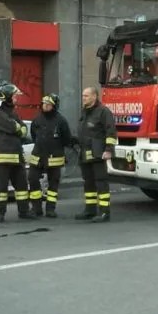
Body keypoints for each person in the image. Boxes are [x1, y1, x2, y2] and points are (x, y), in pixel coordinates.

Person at [0, 83, 34, 223]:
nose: (16, 98)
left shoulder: (12, 112)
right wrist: (17, 127)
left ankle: (24, 211)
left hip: (17, 155)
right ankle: (0, 213)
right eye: (14, 96)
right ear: (7, 97)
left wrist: (18, 128)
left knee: (21, 186)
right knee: (2, 188)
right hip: (3, 157)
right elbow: (14, 127)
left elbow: (23, 130)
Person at [75, 86, 116, 223]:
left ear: (94, 97)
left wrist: (108, 150)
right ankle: (90, 209)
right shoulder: (85, 112)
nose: (83, 98)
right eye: (82, 96)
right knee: (88, 183)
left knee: (101, 182)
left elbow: (111, 132)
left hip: (98, 153)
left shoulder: (103, 112)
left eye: (86, 96)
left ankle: (104, 212)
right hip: (85, 153)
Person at [28, 93, 71, 218]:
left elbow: (66, 139)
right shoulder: (37, 119)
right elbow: (34, 135)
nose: (45, 106)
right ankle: (36, 208)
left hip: (54, 158)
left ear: (54, 106)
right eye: (44, 104)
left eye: (48, 104)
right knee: (32, 179)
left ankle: (50, 209)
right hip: (38, 156)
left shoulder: (61, 121)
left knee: (53, 184)